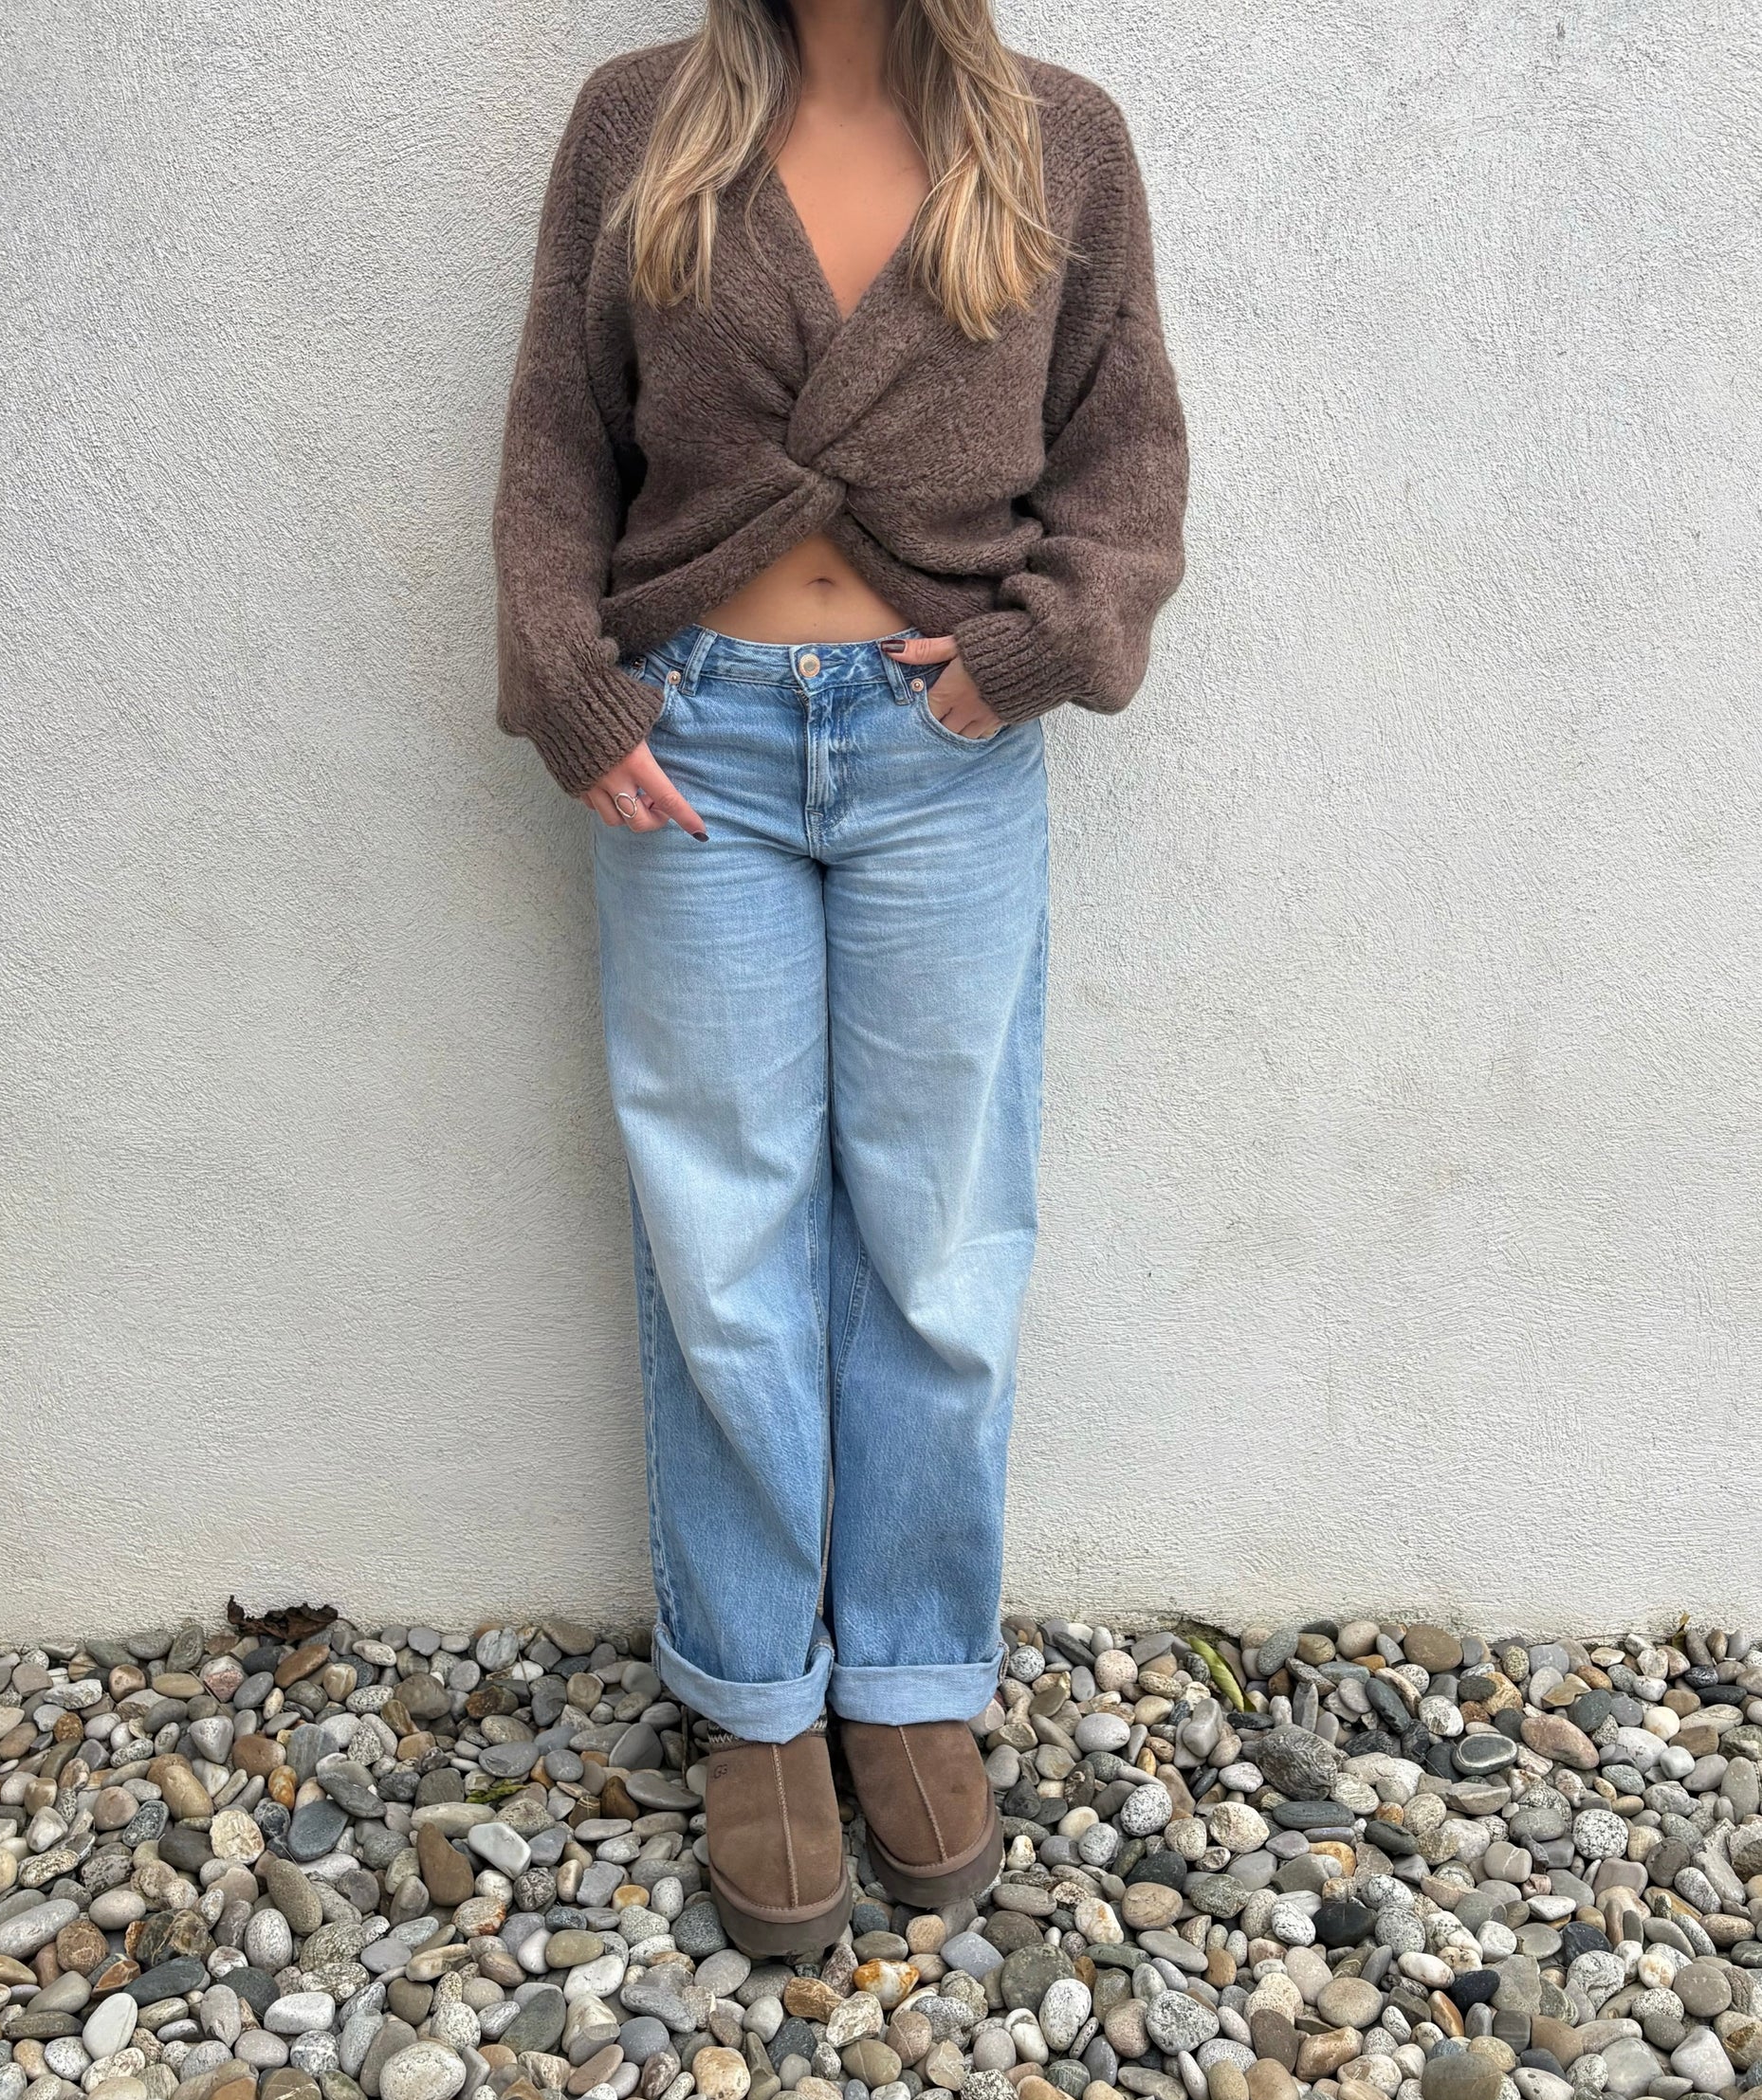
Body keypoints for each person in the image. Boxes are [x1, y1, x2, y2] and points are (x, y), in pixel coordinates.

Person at [492, 0, 1187, 1954]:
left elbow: (1126, 462)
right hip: (691, 741)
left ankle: (905, 1674)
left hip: (940, 754)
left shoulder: (1062, 139)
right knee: (722, 1229)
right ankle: (752, 1696)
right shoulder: (638, 121)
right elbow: (555, 438)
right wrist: (568, 685)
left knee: (936, 1225)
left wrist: (1030, 651)